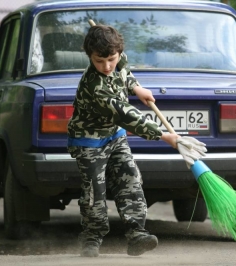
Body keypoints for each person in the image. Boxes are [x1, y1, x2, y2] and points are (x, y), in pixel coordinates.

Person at [67, 25, 206, 257]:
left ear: (119, 52)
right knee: (95, 191)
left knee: (130, 179)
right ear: (90, 57)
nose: (107, 66)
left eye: (111, 59)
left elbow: (124, 70)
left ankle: (136, 234)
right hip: (89, 142)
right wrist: (164, 136)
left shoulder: (117, 59)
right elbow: (126, 114)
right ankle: (92, 237)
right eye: (99, 61)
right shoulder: (95, 86)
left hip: (115, 136)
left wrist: (136, 87)